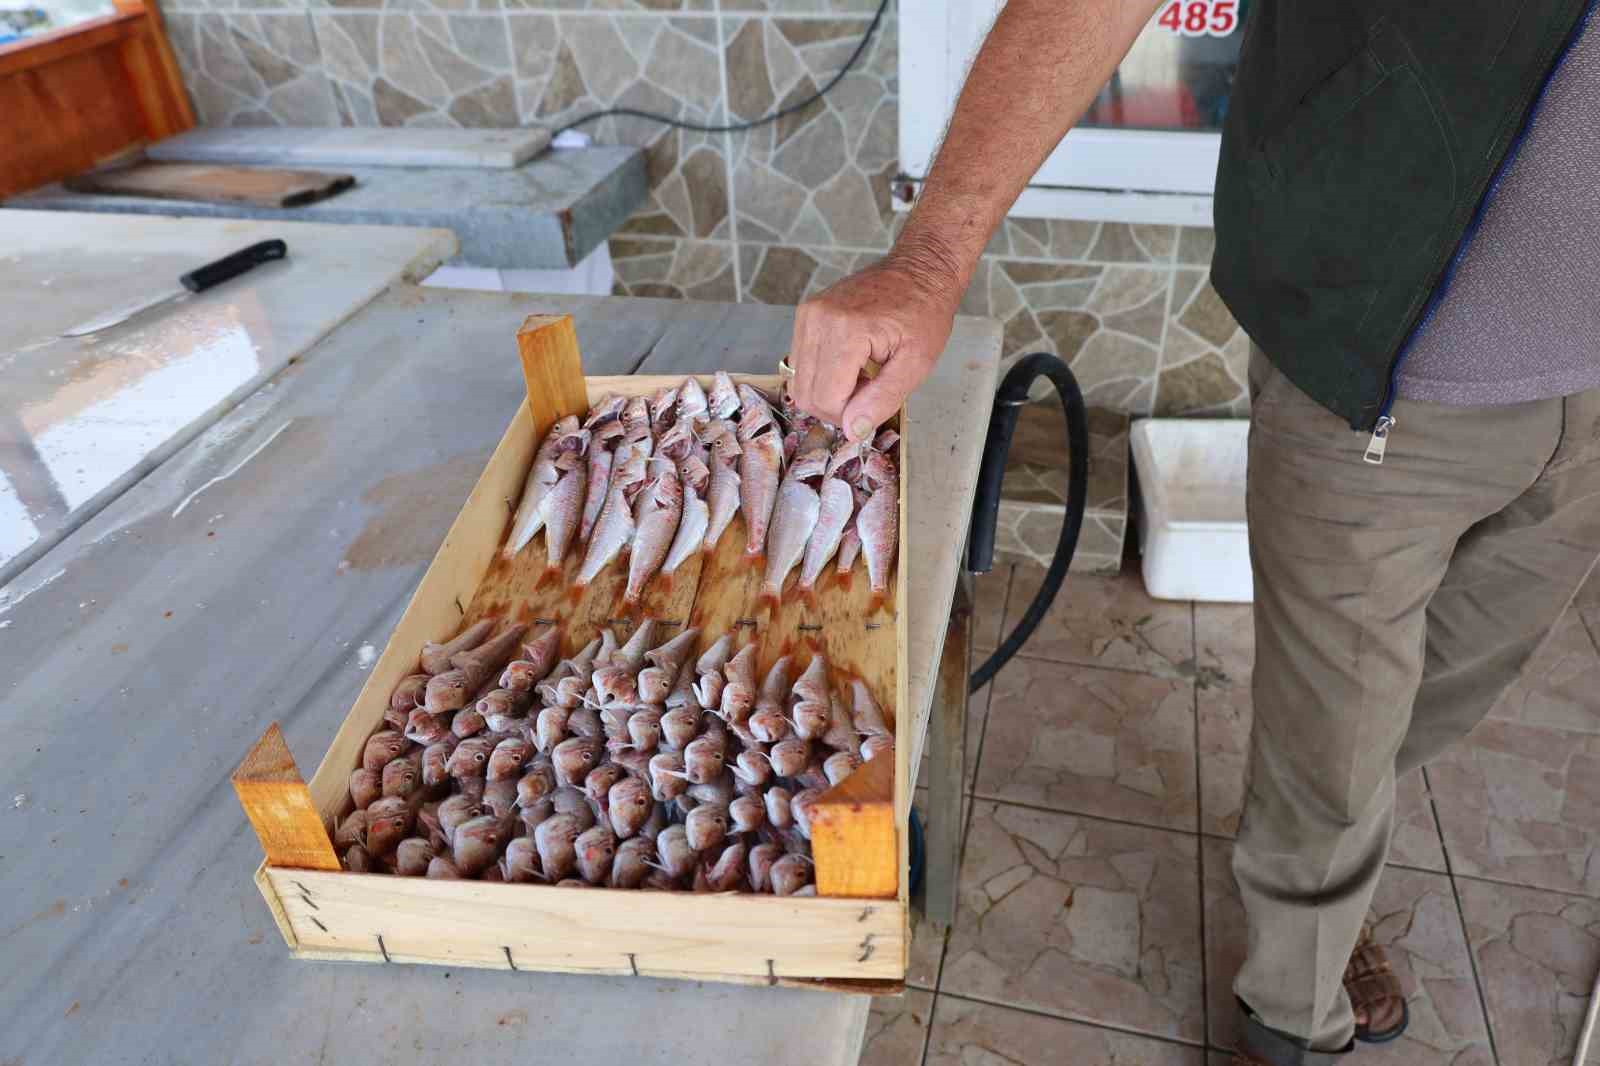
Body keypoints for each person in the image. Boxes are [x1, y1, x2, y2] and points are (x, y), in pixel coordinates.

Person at [785, 1, 1600, 1063]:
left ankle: (1314, 858)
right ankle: (1289, 1016)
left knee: (1436, 692)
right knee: (1333, 745)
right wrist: (931, 257)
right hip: (1379, 367)